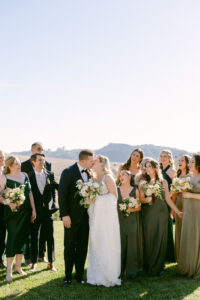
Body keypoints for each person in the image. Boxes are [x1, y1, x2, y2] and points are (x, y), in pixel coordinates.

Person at [139, 159, 182, 276]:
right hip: (148, 211)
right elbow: (141, 198)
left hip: (162, 211)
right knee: (148, 237)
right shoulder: (143, 182)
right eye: (146, 166)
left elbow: (168, 199)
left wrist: (177, 211)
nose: (147, 169)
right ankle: (148, 264)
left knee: (160, 237)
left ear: (155, 168)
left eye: (149, 166)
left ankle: (158, 266)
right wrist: (145, 199)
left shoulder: (163, 182)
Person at [58, 149, 94, 285]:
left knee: (82, 247)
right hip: (71, 217)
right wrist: (64, 215)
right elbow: (62, 195)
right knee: (69, 246)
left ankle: (79, 275)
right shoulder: (68, 172)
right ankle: (67, 275)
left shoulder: (90, 173)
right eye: (91, 161)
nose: (92, 163)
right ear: (83, 161)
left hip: (86, 217)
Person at [0, 156, 36, 282]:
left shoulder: (25, 175)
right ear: (9, 166)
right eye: (15, 164)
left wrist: (33, 209)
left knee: (23, 238)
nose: (18, 166)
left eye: (19, 163)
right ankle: (9, 270)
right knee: (12, 238)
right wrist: (8, 203)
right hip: (12, 214)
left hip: (25, 213)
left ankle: (18, 267)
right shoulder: (4, 177)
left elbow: (30, 192)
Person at [87, 155, 121, 287]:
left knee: (106, 240)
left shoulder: (108, 177)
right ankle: (96, 273)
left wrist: (98, 199)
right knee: (96, 240)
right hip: (95, 214)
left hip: (106, 217)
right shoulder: (92, 178)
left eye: (95, 160)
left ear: (102, 163)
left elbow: (114, 197)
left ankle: (108, 273)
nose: (92, 162)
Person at [21, 142, 57, 264]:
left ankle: (42, 255)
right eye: (38, 149)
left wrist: (53, 204)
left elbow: (51, 187)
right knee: (31, 234)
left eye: (42, 149)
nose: (41, 151)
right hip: (32, 207)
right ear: (32, 150)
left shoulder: (48, 165)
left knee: (45, 235)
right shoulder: (24, 165)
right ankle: (28, 257)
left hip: (46, 208)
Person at [28, 153, 58, 272]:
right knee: (34, 237)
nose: (42, 162)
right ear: (33, 162)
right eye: (40, 160)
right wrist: (31, 211)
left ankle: (51, 263)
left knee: (50, 237)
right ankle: (34, 263)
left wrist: (54, 203)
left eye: (43, 160)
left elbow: (55, 188)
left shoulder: (49, 174)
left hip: (48, 212)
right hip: (35, 212)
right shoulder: (29, 176)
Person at [177, 154, 200, 278]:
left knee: (197, 235)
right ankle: (186, 266)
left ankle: (196, 266)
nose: (189, 164)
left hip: (198, 211)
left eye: (192, 162)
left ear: (198, 164)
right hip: (188, 210)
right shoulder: (188, 177)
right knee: (188, 234)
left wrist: (190, 195)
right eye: (189, 161)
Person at [117, 170, 141, 279]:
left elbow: (139, 207)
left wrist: (128, 209)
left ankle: (131, 272)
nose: (121, 177)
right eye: (120, 175)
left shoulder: (135, 190)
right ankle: (119, 271)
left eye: (124, 175)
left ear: (130, 177)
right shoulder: (116, 190)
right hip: (119, 221)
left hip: (131, 220)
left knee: (132, 245)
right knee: (120, 245)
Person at [172, 155, 191, 261]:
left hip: (189, 204)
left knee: (187, 229)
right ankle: (179, 256)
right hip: (178, 203)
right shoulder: (177, 177)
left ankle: (188, 256)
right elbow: (174, 194)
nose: (179, 162)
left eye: (182, 160)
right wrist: (173, 210)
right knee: (179, 229)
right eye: (179, 160)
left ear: (188, 163)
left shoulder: (191, 176)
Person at [159, 150, 177, 262]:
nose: (163, 158)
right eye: (161, 156)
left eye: (165, 156)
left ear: (169, 158)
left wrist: (167, 197)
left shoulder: (172, 171)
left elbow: (175, 188)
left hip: (167, 200)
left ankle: (169, 254)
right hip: (158, 199)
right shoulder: (158, 169)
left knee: (167, 224)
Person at [0, 150, 6, 268]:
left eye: (3, 158)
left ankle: (1, 260)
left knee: (2, 234)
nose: (2, 160)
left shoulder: (5, 172)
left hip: (3, 207)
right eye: (0, 158)